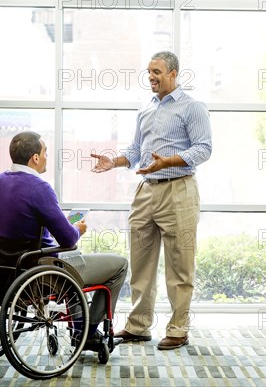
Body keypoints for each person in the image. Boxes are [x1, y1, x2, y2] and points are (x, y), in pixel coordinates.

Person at [91, 51, 212, 350]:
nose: (151, 78)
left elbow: (204, 148)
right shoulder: (145, 109)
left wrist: (169, 161)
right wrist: (116, 161)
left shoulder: (192, 107)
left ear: (173, 73)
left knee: (180, 266)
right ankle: (138, 326)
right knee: (140, 262)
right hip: (146, 190)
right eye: (148, 72)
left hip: (178, 189)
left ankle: (178, 329)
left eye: (156, 72)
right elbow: (135, 149)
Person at [0, 131, 128, 346]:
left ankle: (80, 327)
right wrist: (78, 228)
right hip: (40, 270)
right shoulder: (39, 188)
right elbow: (68, 239)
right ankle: (87, 333)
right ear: (35, 158)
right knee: (120, 266)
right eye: (45, 153)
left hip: (2, 268)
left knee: (73, 262)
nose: (46, 158)